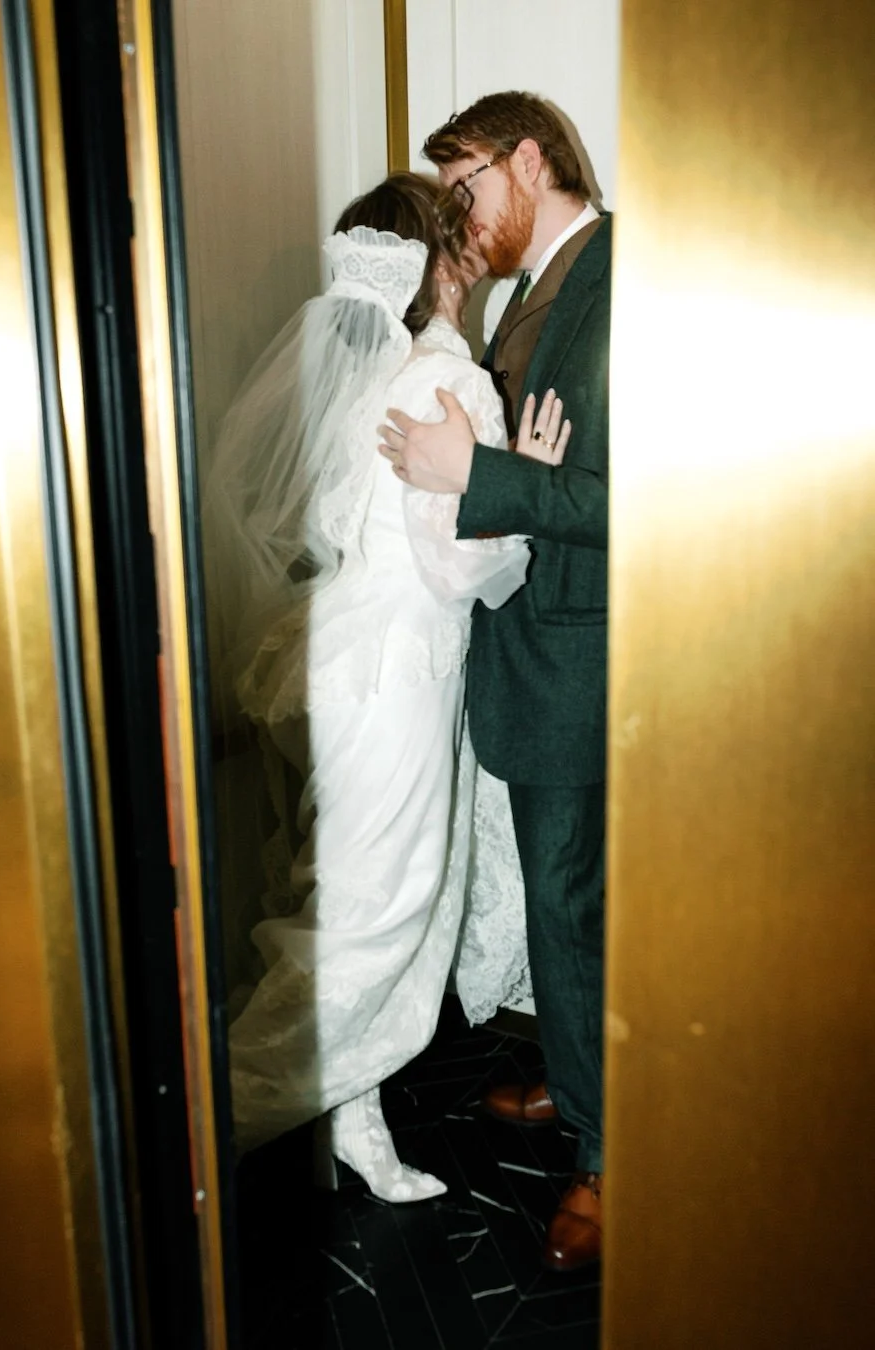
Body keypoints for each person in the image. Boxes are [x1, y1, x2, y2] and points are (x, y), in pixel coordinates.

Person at [202, 173, 559, 1203]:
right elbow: (461, 571)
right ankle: (207, 1119)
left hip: (348, 660)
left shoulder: (376, 373)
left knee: (359, 897)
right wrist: (521, 495)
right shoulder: (452, 382)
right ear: (444, 264)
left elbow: (326, 527)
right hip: (401, 678)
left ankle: (351, 1120)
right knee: (378, 918)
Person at [379, 93, 611, 1268]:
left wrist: (480, 474)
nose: (459, 218)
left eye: (466, 185)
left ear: (531, 159)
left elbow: (648, 510)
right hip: (533, 659)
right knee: (566, 913)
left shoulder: (622, 288)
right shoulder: (531, 292)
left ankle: (609, 1157)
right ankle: (584, 1090)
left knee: (573, 913)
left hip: (585, 660)